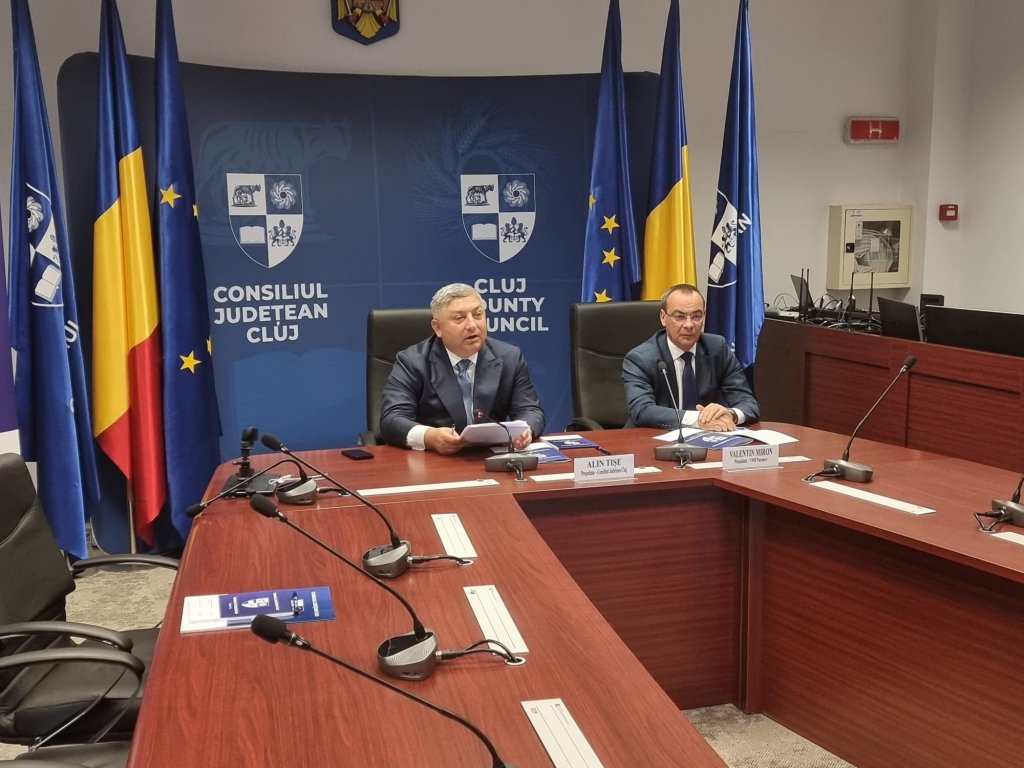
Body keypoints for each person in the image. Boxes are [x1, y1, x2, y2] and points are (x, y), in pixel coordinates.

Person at [379, 283, 546, 454]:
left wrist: (525, 430)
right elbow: (392, 419)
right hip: (437, 460)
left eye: (478, 315)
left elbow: (530, 410)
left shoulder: (509, 357)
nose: (472, 325)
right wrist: (430, 437)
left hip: (491, 456)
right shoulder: (412, 362)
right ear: (438, 327)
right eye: (459, 318)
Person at [623, 283, 759, 431]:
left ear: (704, 316)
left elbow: (749, 404)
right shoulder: (640, 358)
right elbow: (642, 411)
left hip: (706, 438)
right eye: (680, 317)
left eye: (696, 316)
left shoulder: (717, 349)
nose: (689, 325)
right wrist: (698, 419)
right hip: (651, 437)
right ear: (663, 317)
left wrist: (730, 414)